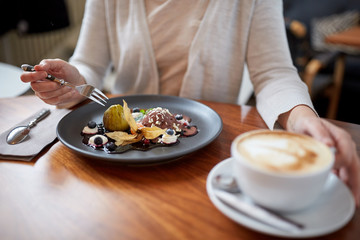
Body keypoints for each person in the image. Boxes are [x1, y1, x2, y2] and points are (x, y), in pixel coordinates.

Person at [20, 0, 360, 205]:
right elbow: (90, 63)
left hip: (207, 162)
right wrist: (75, 84)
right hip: (116, 168)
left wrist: (304, 119)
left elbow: (272, 72)